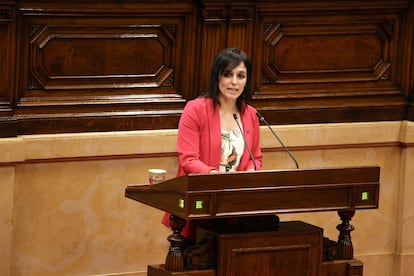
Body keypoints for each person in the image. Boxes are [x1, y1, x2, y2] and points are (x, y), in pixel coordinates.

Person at [162, 47, 263, 240]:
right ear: (217, 76)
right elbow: (188, 159)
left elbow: (255, 158)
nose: (234, 82)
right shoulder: (195, 109)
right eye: (228, 74)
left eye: (241, 76)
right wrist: (215, 178)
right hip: (200, 202)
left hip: (234, 207)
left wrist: (250, 173)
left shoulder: (251, 114)